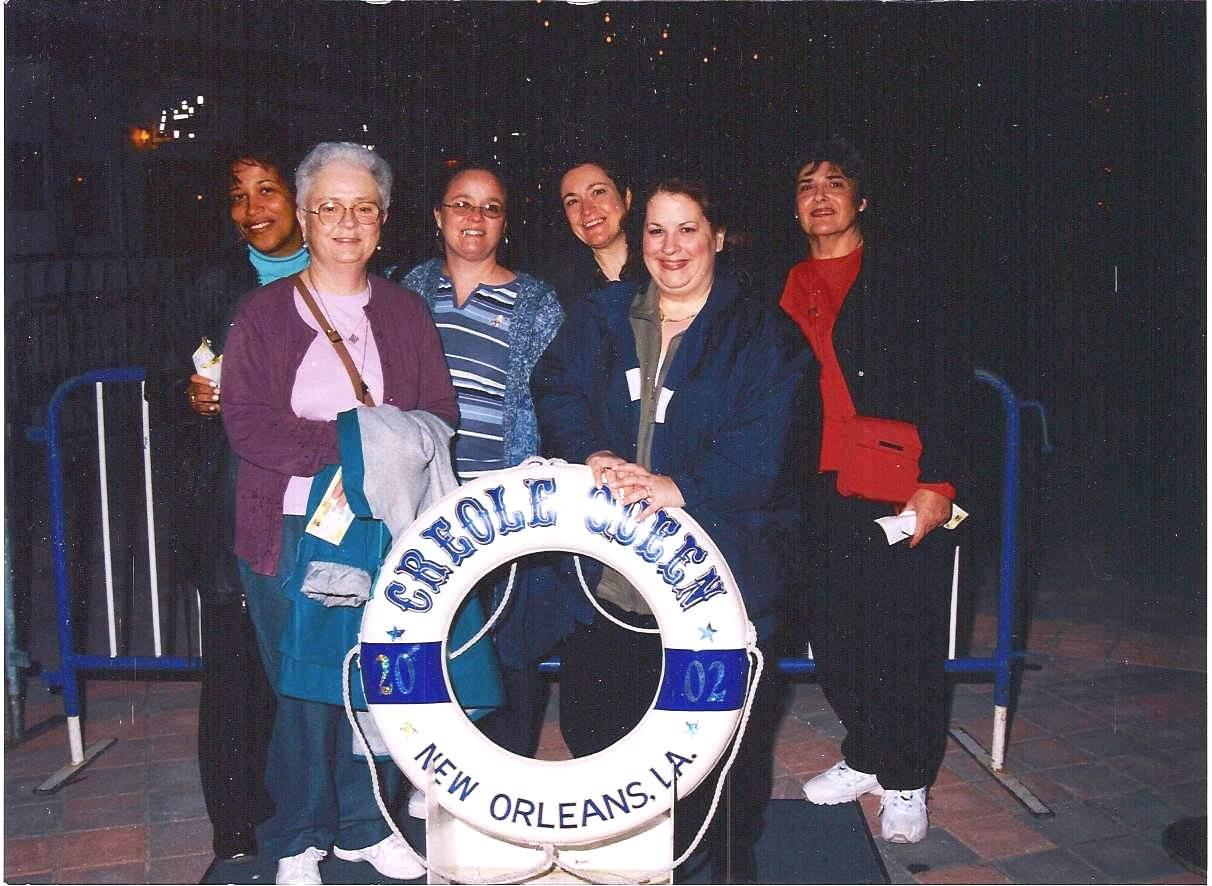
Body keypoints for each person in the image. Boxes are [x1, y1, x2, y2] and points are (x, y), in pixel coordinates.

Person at [533, 178, 812, 882]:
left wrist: (677, 488)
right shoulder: (601, 316)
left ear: (717, 237)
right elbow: (555, 386)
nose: (670, 247)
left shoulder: (764, 334)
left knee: (716, 764)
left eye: (688, 229)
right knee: (601, 736)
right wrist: (590, 452)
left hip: (723, 577)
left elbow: (768, 451)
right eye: (656, 230)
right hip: (611, 586)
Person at [222, 141, 456, 884]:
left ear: (383, 223)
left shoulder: (406, 311)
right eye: (329, 207)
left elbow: (438, 417)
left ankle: (362, 823)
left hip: (378, 529)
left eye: (362, 208)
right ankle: (298, 837)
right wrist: (356, 441)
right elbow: (249, 426)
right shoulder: (263, 313)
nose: (346, 222)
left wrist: (377, 448)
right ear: (303, 216)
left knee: (366, 680)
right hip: (286, 527)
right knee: (299, 686)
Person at [779, 138, 970, 844]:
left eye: (835, 182)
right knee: (833, 633)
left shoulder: (905, 277)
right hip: (813, 485)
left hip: (894, 483)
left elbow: (950, 383)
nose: (820, 194)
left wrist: (939, 483)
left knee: (904, 637)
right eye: (806, 183)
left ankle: (907, 775)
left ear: (861, 199)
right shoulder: (784, 281)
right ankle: (866, 751)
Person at [147, 145, 308, 860]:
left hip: (322, 507)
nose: (253, 211)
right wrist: (188, 396)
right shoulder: (213, 283)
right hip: (235, 506)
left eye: (268, 191)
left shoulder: (340, 274)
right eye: (240, 196)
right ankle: (237, 831)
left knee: (312, 666)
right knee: (238, 671)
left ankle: (317, 820)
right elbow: (160, 376)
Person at [390, 162, 579, 763]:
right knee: (431, 641)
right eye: (462, 205)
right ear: (438, 217)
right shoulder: (406, 288)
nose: (476, 218)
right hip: (421, 504)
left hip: (499, 507)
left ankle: (506, 773)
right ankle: (438, 775)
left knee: (506, 651)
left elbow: (553, 403)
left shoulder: (537, 301)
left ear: (506, 222)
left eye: (491, 207)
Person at [537, 158, 644, 309]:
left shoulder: (665, 265)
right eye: (572, 201)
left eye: (598, 192)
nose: (586, 210)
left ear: (626, 198)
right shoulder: (554, 290)